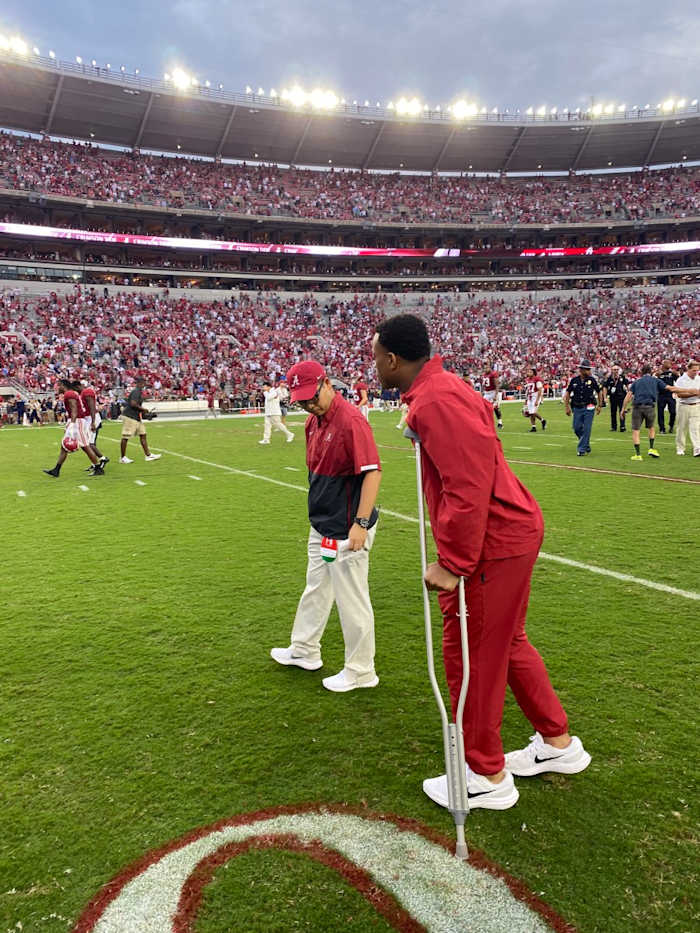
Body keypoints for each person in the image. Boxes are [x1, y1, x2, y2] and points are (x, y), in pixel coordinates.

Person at [372, 314, 589, 812]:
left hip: (494, 539)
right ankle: (558, 744)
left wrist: (453, 561)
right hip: (509, 530)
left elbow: (467, 487)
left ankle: (486, 774)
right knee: (506, 642)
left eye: (376, 356)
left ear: (394, 360)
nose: (374, 364)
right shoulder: (438, 391)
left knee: (471, 653)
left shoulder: (438, 398)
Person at [270, 360, 381, 693]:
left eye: (312, 396)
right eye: (302, 400)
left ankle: (361, 671)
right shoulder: (312, 423)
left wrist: (360, 524)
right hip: (322, 524)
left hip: (347, 528)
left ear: (327, 383)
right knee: (316, 587)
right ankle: (305, 650)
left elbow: (372, 472)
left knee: (352, 600)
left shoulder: (351, 421)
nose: (309, 404)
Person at [43, 378, 104, 478]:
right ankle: (56, 470)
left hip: (77, 422)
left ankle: (98, 468)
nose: (57, 388)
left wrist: (72, 424)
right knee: (64, 446)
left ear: (63, 385)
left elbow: (74, 410)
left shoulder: (69, 394)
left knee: (85, 446)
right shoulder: (71, 393)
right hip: (76, 421)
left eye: (58, 385)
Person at [621, 364, 670, 461]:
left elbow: (628, 395)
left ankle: (638, 454)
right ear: (651, 371)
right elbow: (668, 388)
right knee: (651, 428)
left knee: (636, 431)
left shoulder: (637, 382)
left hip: (637, 407)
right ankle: (651, 448)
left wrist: (623, 409)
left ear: (641, 372)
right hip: (650, 406)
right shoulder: (655, 380)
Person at [120, 375, 162, 464]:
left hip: (135, 417)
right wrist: (144, 409)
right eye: (143, 383)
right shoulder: (136, 391)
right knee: (126, 436)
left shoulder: (138, 391)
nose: (144, 385)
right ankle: (122, 457)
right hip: (130, 416)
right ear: (139, 383)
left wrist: (144, 413)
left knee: (143, 434)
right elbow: (133, 404)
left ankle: (148, 455)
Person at [563, 360, 602, 456]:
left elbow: (599, 391)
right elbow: (568, 393)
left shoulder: (592, 380)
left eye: (589, 369)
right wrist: (567, 406)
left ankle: (581, 449)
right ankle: (586, 444)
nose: (589, 371)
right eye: (587, 369)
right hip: (577, 407)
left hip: (589, 407)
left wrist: (600, 405)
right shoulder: (574, 380)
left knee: (587, 428)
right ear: (581, 370)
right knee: (576, 428)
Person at [80, 377, 108, 473]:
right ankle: (94, 463)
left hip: (93, 418)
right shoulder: (84, 393)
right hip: (89, 418)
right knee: (88, 443)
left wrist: (92, 422)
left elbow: (92, 408)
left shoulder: (87, 392)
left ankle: (102, 458)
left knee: (88, 443)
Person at [673, 360, 700, 456]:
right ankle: (680, 448)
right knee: (681, 428)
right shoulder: (681, 380)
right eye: (693, 370)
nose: (695, 372)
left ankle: (697, 448)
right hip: (683, 406)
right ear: (688, 369)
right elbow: (679, 394)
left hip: (696, 405)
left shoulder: (698, 379)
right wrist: (693, 393)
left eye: (697, 370)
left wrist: (690, 393)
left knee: (696, 428)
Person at [603, 364, 629, 432]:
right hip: (613, 397)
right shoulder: (609, 378)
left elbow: (627, 385)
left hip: (621, 397)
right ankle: (613, 427)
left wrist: (628, 395)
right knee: (613, 412)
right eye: (614, 370)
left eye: (617, 369)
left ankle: (622, 426)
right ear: (612, 370)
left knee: (622, 411)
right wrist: (605, 397)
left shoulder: (622, 377)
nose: (616, 371)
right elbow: (605, 387)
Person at [656, 359, 679, 434]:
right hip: (661, 395)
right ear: (664, 364)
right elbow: (654, 381)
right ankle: (662, 428)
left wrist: (677, 374)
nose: (670, 364)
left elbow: (679, 380)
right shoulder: (659, 373)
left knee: (673, 412)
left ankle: (671, 425)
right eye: (668, 363)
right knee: (660, 412)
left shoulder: (672, 373)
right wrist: (656, 375)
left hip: (670, 394)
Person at [522, 367, 546, 432]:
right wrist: (525, 401)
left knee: (533, 412)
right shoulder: (527, 380)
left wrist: (537, 400)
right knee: (530, 412)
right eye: (528, 372)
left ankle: (541, 421)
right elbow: (527, 390)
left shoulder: (537, 379)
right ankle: (535, 426)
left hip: (535, 396)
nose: (528, 373)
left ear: (534, 373)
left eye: (530, 372)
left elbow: (540, 390)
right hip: (530, 396)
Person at [481, 363, 503, 430]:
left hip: (493, 392)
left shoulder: (493, 374)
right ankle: (487, 423)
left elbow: (497, 385)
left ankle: (500, 422)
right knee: (484, 408)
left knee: (495, 408)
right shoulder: (484, 375)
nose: (486, 369)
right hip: (487, 393)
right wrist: (482, 393)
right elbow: (484, 385)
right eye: (485, 368)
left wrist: (496, 395)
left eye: (487, 367)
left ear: (490, 368)